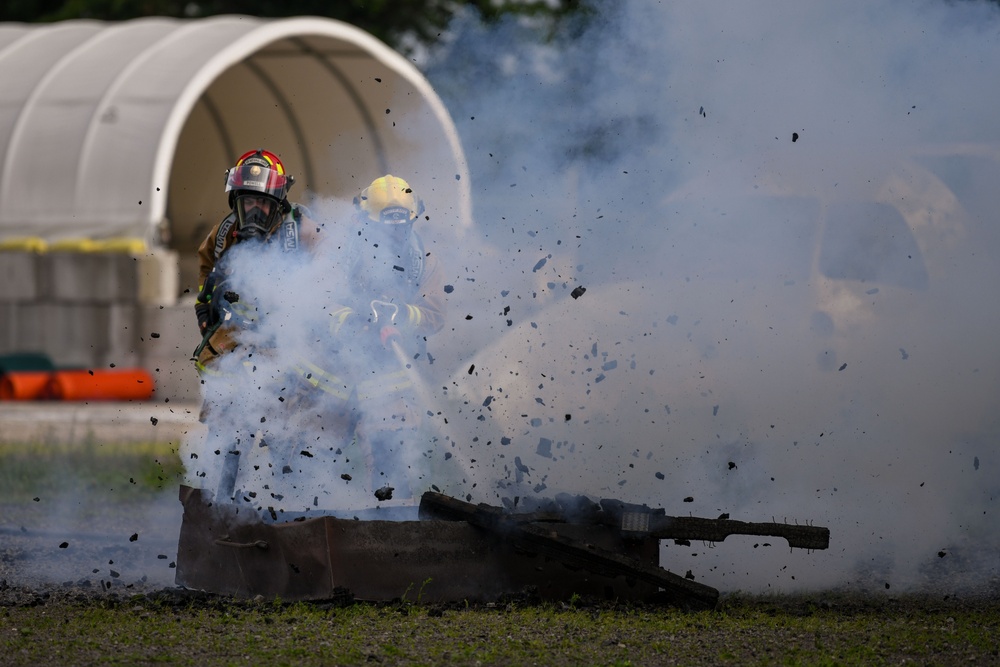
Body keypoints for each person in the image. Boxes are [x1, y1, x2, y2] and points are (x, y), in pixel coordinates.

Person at [292, 174, 446, 503]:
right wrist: (353, 321)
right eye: (385, 226)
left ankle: (390, 542)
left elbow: (434, 314)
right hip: (332, 376)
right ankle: (303, 534)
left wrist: (401, 316)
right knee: (309, 469)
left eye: (401, 225)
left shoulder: (423, 260)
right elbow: (320, 300)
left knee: (391, 477)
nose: (394, 233)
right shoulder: (340, 250)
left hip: (388, 381)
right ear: (365, 222)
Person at [193, 149, 319, 371]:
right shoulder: (223, 233)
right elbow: (206, 271)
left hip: (291, 335)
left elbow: (331, 279)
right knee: (213, 369)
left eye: (263, 202)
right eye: (248, 201)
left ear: (278, 203)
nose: (255, 209)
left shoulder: (303, 232)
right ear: (236, 203)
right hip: (238, 329)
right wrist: (204, 306)